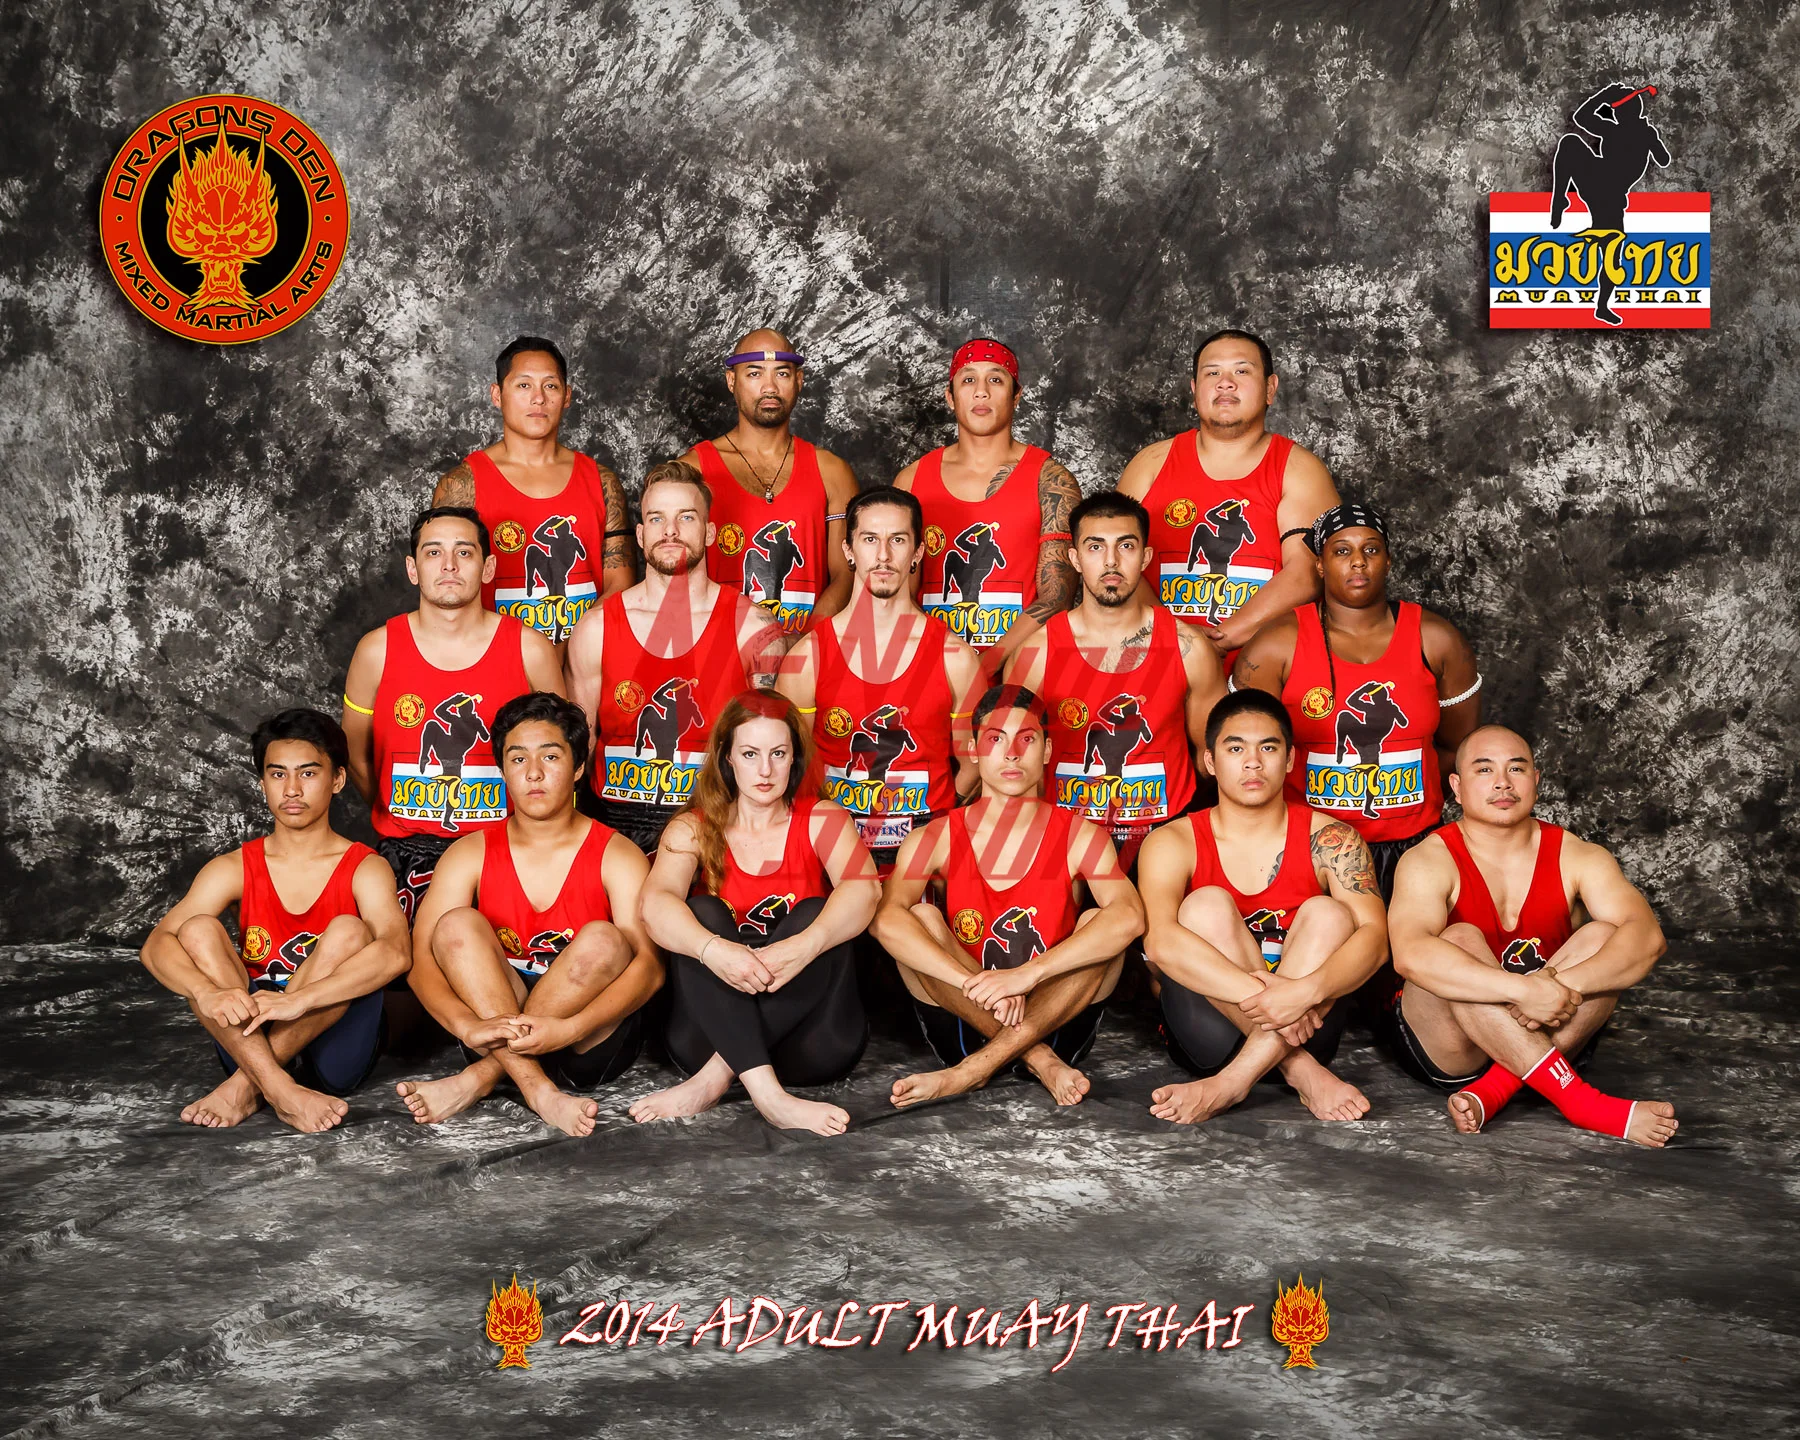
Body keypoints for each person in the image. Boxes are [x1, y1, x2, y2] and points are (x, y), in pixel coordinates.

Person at [1383, 725, 1679, 1148]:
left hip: (1552, 1029)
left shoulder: (1579, 855)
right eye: (1484, 770)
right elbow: (1410, 955)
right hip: (1453, 1049)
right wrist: (1523, 991)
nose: (1502, 782)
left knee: (1605, 935)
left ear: (1536, 781)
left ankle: (1496, 1089)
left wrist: (1556, 988)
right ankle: (1581, 1102)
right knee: (1458, 938)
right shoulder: (1428, 859)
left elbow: (1648, 939)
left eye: (1516, 769)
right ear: (1457, 788)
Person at [399, 692, 663, 1136]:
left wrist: (570, 1028)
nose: (534, 773)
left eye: (551, 756)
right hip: (489, 1029)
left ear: (577, 767)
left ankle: (481, 1079)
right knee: (455, 925)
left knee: (606, 939)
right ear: (502, 769)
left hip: (585, 1043)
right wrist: (467, 1026)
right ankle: (538, 1090)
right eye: (518, 758)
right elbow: (420, 963)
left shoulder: (618, 855)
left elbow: (651, 970)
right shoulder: (469, 853)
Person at [871, 685, 1145, 1108]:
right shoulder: (935, 837)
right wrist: (978, 986)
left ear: (1048, 750)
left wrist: (1026, 976)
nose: (1012, 754)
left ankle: (971, 1074)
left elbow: (1129, 917)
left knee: (1102, 923)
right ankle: (1038, 1059)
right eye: (995, 739)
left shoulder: (1080, 835)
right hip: (965, 1024)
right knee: (918, 919)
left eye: (1027, 739)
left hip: (1057, 1019)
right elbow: (884, 920)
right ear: (973, 750)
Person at [140, 709, 409, 1132]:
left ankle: (243, 1090)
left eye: (308, 773)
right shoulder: (233, 867)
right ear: (263, 782)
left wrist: (300, 999)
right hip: (249, 1041)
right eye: (278, 774)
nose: (292, 789)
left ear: (337, 780)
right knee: (195, 930)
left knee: (350, 931)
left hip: (335, 1051)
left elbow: (396, 953)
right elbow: (157, 944)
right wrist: (204, 992)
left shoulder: (364, 866)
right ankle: (279, 1088)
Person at [630, 691, 880, 1135]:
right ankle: (771, 1098)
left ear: (794, 757)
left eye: (777, 754)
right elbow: (655, 904)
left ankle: (715, 1080)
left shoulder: (822, 818)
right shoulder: (692, 826)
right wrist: (714, 951)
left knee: (818, 913)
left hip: (812, 1043)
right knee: (700, 911)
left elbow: (865, 891)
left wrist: (803, 947)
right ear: (727, 757)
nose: (765, 770)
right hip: (707, 1036)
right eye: (750, 754)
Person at [1135, 691, 1388, 1125]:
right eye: (1236, 749)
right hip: (1212, 1032)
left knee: (1331, 914)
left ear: (1289, 759)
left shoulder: (1333, 839)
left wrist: (1304, 993)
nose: (1253, 763)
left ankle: (1230, 1085)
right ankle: (1301, 1072)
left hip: (1310, 1022)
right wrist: (1269, 1000)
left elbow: (1376, 940)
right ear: (1210, 761)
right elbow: (1159, 943)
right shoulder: (1172, 841)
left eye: (1268, 748)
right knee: (1204, 906)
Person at [1232, 502, 1481, 900]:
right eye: (1342, 551)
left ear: (1388, 560)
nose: (1358, 561)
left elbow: (1459, 747)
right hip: (1311, 848)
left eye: (1371, 549)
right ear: (1320, 565)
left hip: (1414, 845)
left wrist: (1394, 801)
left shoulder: (1435, 639)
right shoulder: (1276, 644)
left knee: (1422, 937)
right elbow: (1244, 755)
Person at [342, 508, 564, 920]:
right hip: (407, 852)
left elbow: (561, 755)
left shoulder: (530, 648)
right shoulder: (376, 650)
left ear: (488, 567)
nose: (449, 565)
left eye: (464, 552)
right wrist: (399, 811)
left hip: (508, 849)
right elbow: (354, 754)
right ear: (412, 569)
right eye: (433, 553)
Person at [565, 461, 788, 855]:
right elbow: (578, 746)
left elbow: (774, 748)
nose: (670, 531)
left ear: (710, 531)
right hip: (615, 827)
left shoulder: (753, 628)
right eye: (656, 519)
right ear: (640, 535)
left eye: (686, 517)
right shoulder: (596, 627)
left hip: (715, 823)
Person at [1007, 492, 1225, 868]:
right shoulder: (1036, 653)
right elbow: (1013, 764)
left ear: (1146, 557)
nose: (1111, 561)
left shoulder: (1188, 648)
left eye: (1126, 546)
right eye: (1095, 547)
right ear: (1075, 558)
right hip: (1067, 844)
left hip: (1165, 839)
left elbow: (1213, 758)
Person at [776, 485, 983, 871]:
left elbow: (973, 764)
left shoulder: (954, 657)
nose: (884, 555)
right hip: (835, 849)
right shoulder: (807, 658)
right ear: (848, 550)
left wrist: (933, 823)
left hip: (925, 848)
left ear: (918, 552)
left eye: (898, 540)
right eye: (870, 539)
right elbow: (791, 767)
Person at [1116, 329, 1339, 660]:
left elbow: (1307, 573)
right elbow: (1114, 565)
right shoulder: (1150, 464)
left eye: (1242, 371)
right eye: (1212, 373)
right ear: (1195, 390)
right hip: (1157, 658)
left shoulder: (1299, 469)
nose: (1225, 383)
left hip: (1264, 671)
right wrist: (1176, 638)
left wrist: (1215, 643)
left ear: (1270, 388)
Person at [433, 336, 634, 644]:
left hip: (583, 657)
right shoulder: (462, 485)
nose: (538, 398)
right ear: (497, 395)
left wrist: (573, 650)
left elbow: (619, 586)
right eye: (524, 385)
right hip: (496, 659)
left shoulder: (601, 481)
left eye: (550, 386)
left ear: (566, 396)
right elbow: (444, 591)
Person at [894, 338, 1080, 659]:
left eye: (996, 379)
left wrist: (987, 664)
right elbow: (900, 597)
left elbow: (1056, 597)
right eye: (968, 380)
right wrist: (944, 663)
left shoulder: (1051, 481)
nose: (981, 392)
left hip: (1022, 667)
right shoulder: (911, 481)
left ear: (1016, 396)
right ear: (950, 397)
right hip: (932, 662)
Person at [678, 329, 857, 632]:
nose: (770, 387)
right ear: (731, 380)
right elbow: (676, 577)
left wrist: (806, 642)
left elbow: (847, 573)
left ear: (799, 380)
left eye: (782, 373)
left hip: (807, 647)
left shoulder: (833, 472)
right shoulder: (692, 470)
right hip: (719, 647)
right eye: (754, 373)